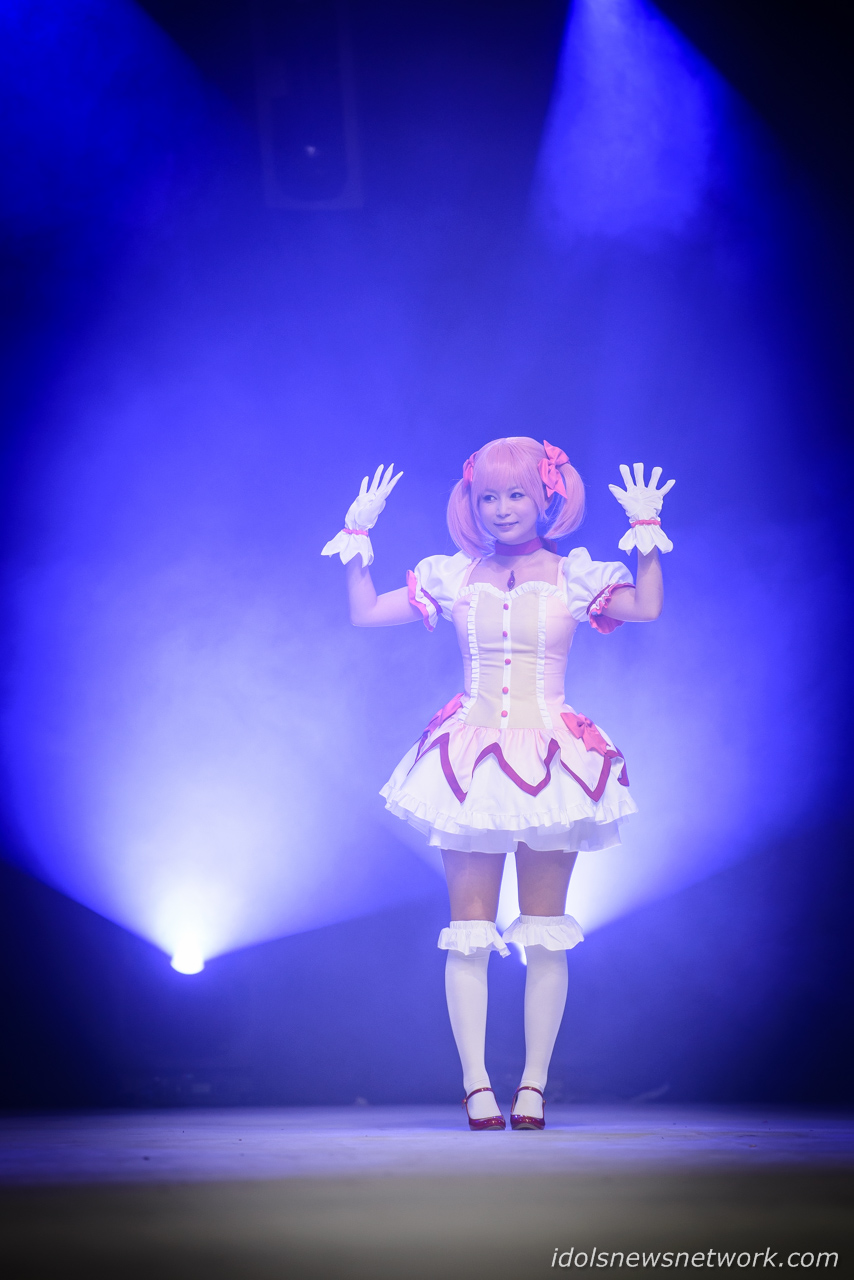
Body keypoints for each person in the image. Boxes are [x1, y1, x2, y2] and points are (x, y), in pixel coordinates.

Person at [322, 437, 674, 1131]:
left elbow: (648, 607)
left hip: (552, 759)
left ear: (547, 497)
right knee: (469, 931)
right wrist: (356, 539)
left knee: (545, 933)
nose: (502, 508)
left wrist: (646, 532)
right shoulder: (453, 574)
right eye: (488, 496)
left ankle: (534, 1087)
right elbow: (365, 613)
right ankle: (477, 1085)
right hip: (470, 762)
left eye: (516, 494)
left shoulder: (574, 574)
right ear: (471, 502)